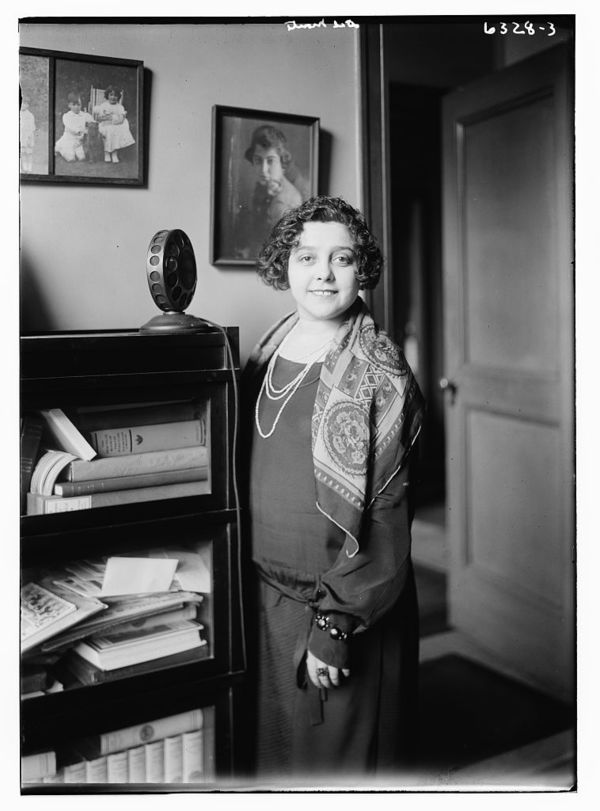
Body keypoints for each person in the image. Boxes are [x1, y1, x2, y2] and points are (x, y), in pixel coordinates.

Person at [243, 196, 425, 785]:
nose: (323, 273)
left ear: (361, 268)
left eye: (341, 258)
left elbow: (389, 517)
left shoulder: (381, 371)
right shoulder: (268, 349)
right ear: (285, 264)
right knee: (273, 764)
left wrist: (334, 628)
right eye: (306, 257)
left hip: (341, 608)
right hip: (268, 600)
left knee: (335, 777)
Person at [235, 125, 304, 259]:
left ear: (282, 162)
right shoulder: (265, 187)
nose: (263, 169)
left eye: (270, 161)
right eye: (258, 160)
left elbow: (278, 253)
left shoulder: (285, 201)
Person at [94, 85, 135, 163]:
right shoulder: (103, 105)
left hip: (116, 124)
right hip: (105, 124)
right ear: (107, 95)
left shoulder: (120, 107)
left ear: (118, 97)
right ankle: (106, 152)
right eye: (111, 95)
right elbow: (98, 118)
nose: (113, 97)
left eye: (115, 95)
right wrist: (107, 118)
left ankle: (114, 153)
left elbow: (121, 119)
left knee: (115, 131)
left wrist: (114, 120)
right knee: (108, 131)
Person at [54, 93, 93, 163]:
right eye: (74, 105)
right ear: (69, 105)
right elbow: (70, 126)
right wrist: (79, 131)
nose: (76, 107)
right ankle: (60, 148)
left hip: (79, 142)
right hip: (68, 140)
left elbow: (92, 120)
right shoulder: (67, 116)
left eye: (78, 105)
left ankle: (77, 152)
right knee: (71, 158)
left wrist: (93, 124)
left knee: (82, 158)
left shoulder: (84, 115)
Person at [20, 96, 36, 173]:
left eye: (26, 103)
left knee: (29, 153)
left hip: (28, 136)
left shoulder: (30, 115)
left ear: (28, 105)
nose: (23, 105)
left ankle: (29, 168)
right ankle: (24, 168)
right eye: (22, 103)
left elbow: (32, 128)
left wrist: (31, 138)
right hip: (21, 136)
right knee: (22, 153)